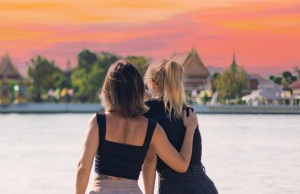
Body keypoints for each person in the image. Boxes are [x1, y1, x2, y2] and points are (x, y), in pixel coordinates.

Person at [76, 60, 199, 194]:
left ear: (109, 90)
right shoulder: (151, 127)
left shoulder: (98, 121)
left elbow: (83, 168)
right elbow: (181, 165)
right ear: (138, 90)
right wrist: (190, 129)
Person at [143, 60, 218, 194]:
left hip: (175, 186)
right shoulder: (188, 111)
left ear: (152, 83)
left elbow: (150, 159)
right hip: (205, 185)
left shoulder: (149, 112)